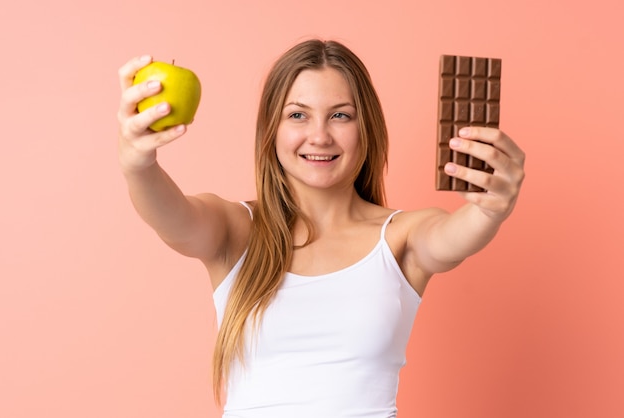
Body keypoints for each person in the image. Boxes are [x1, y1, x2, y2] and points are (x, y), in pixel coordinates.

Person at [117, 39, 525, 418]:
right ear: (271, 130)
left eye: (340, 116)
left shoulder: (402, 236)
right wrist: (139, 163)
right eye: (298, 115)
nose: (319, 136)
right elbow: (168, 214)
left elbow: (456, 235)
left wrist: (491, 209)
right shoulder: (235, 230)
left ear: (366, 127)